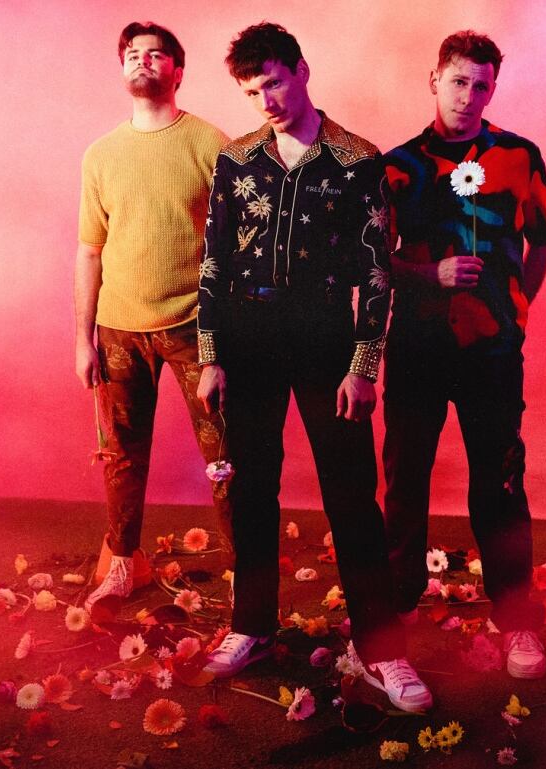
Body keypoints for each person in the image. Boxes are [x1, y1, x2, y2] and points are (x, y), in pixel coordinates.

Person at [196, 22, 432, 713]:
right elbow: (211, 260)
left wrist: (364, 364)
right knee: (252, 490)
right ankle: (252, 626)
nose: (263, 98)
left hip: (326, 331)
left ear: (299, 70)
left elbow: (377, 271)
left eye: (271, 81)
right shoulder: (236, 160)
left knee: (352, 494)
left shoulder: (358, 159)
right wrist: (211, 354)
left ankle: (379, 646)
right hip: (247, 332)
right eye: (250, 89)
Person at [382, 30, 546, 678]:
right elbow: (379, 263)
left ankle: (516, 622)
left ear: (493, 89)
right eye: (458, 81)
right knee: (405, 481)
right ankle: (396, 609)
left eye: (482, 85)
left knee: (502, 480)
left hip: (491, 349)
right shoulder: (398, 167)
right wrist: (432, 276)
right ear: (434, 80)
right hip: (417, 346)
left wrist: (519, 309)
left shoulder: (519, 156)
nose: (469, 95)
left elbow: (541, 241)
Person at [75, 21, 231, 613]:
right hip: (117, 328)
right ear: (121, 69)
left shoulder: (210, 144)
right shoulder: (100, 154)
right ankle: (122, 563)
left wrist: (229, 330)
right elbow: (90, 249)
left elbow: (234, 245)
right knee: (120, 454)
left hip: (196, 326)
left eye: (156, 54)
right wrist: (82, 338)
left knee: (224, 452)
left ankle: (248, 565)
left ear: (177, 70)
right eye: (132, 55)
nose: (143, 62)